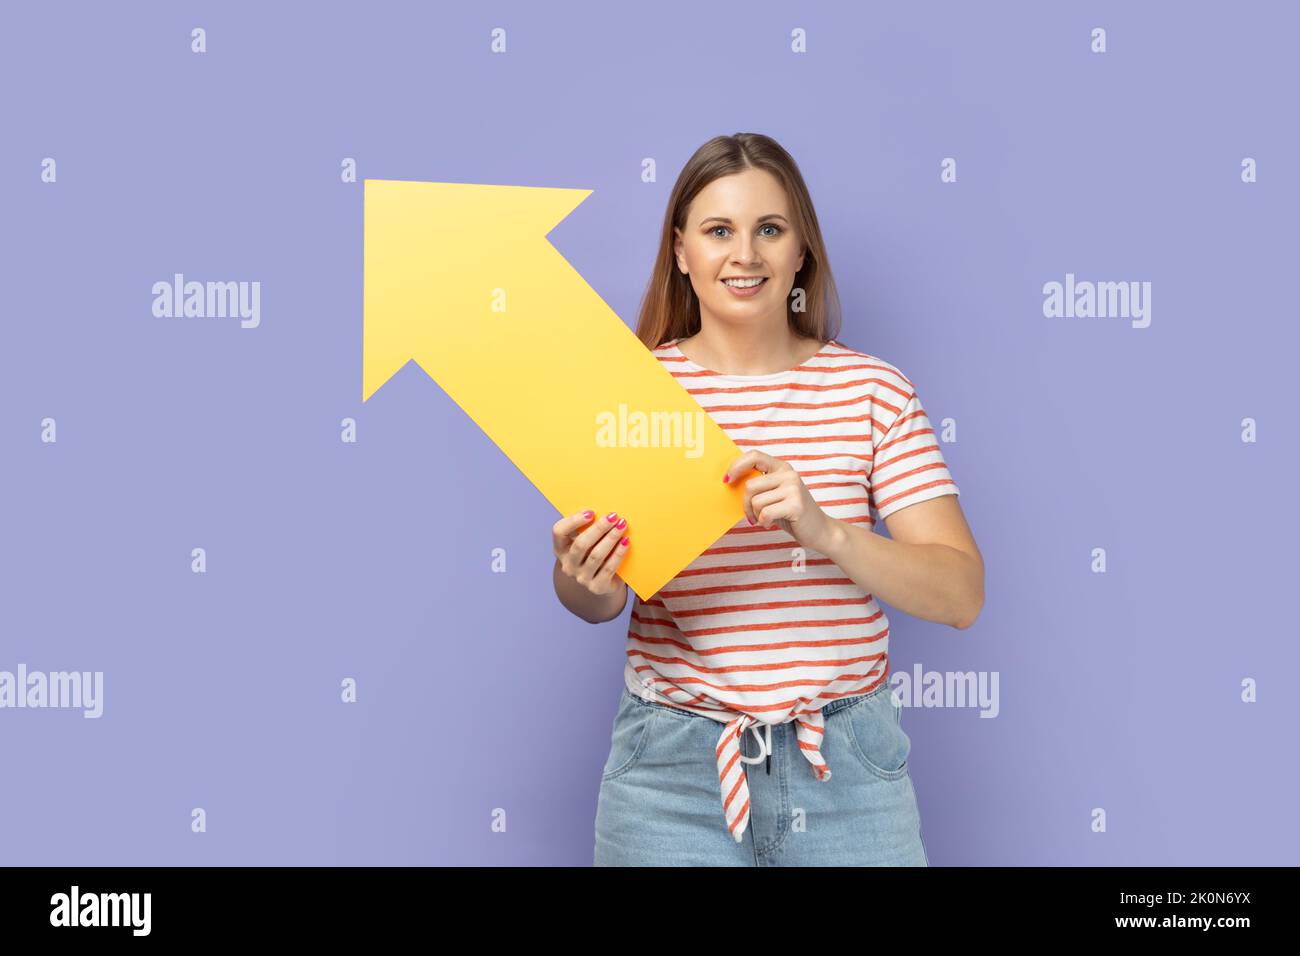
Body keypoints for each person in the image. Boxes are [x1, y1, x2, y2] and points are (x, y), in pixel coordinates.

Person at [551, 132, 984, 866]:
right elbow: (599, 601)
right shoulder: (632, 397)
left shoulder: (872, 391)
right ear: (681, 250)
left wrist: (829, 531)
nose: (744, 254)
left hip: (847, 768)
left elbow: (960, 595)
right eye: (719, 230)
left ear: (800, 252)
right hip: (671, 775)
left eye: (769, 230)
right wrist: (580, 576)